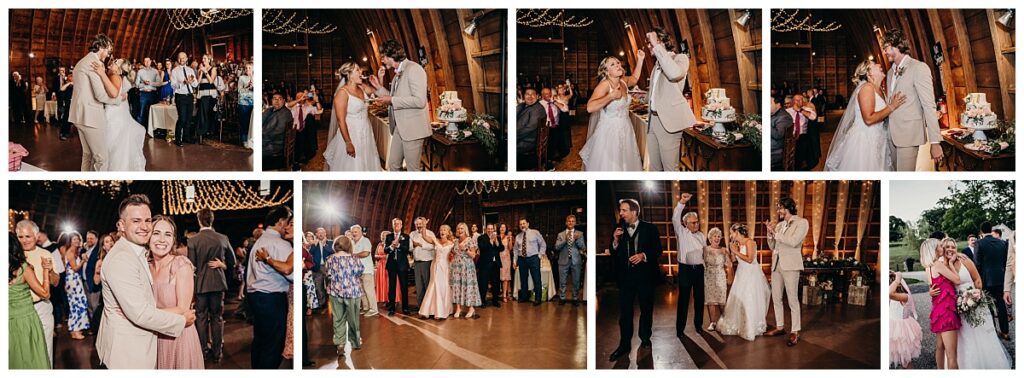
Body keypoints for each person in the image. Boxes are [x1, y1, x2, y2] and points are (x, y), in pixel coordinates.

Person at [97, 194, 194, 368]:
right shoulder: (122, 259)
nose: (144, 227)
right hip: (129, 350)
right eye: (136, 221)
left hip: (150, 340)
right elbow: (141, 314)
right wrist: (180, 320)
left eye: (147, 220)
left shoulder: (138, 254)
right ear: (121, 225)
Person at [824, 60, 906, 171]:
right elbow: (869, 119)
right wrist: (892, 106)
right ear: (869, 73)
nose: (879, 65)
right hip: (864, 141)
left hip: (878, 138)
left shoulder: (880, 89)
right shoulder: (867, 88)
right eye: (874, 65)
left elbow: (882, 114)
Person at [608, 199, 663, 361]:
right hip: (626, 278)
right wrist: (615, 241)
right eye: (621, 210)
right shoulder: (618, 229)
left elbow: (658, 250)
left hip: (645, 276)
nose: (621, 213)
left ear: (634, 212)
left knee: (646, 310)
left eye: (624, 210)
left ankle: (645, 338)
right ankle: (624, 344)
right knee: (625, 313)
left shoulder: (650, 228)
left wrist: (643, 256)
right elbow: (613, 252)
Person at [882, 29, 943, 171]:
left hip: (909, 135)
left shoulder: (919, 68)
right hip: (890, 135)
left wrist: (935, 142)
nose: (884, 52)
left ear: (895, 45)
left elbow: (929, 106)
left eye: (886, 48)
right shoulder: (890, 72)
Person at [368, 39, 431, 171]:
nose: (382, 61)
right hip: (399, 128)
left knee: (412, 170)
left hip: (413, 129)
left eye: (383, 57)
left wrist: (391, 100)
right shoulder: (397, 75)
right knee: (393, 166)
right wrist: (378, 86)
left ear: (392, 55)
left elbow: (420, 101)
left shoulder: (414, 69)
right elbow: (394, 97)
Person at [150, 215, 204, 369]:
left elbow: (182, 309)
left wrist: (144, 316)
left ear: (173, 240)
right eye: (156, 233)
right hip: (153, 339)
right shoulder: (144, 268)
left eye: (168, 235)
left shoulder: (181, 265)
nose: (162, 239)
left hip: (178, 337)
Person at [246, 205, 294, 369]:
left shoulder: (259, 241)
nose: (288, 226)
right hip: (271, 298)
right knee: (273, 345)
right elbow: (291, 274)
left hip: (255, 296)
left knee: (260, 341)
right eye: (288, 222)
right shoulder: (280, 244)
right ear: (281, 222)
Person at [643, 28, 697, 171]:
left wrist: (656, 45)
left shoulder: (680, 58)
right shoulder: (656, 66)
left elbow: (673, 74)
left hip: (668, 122)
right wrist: (642, 96)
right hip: (652, 121)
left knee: (669, 169)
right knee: (654, 168)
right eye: (649, 43)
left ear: (660, 41)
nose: (649, 46)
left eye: (650, 43)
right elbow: (655, 95)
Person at [580, 52, 644, 171]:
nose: (618, 65)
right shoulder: (604, 85)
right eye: (613, 64)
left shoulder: (623, 81)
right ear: (607, 71)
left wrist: (640, 59)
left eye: (618, 63)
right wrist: (610, 96)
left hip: (626, 129)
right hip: (609, 133)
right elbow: (590, 107)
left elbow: (634, 79)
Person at [188, 208, 232, 362]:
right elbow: (232, 261)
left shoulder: (193, 240)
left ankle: (202, 350)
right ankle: (217, 351)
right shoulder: (223, 238)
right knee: (217, 317)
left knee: (200, 318)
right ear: (212, 220)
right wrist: (224, 265)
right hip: (218, 283)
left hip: (200, 285)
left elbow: (191, 266)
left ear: (199, 220)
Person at [69, 34, 119, 171]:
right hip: (90, 116)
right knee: (102, 159)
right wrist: (119, 99)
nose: (108, 55)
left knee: (88, 155)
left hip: (78, 114)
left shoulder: (82, 61)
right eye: (108, 51)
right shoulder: (95, 63)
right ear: (101, 47)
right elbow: (101, 95)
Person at [764, 197, 808, 346]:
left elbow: (793, 242)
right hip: (776, 265)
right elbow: (772, 246)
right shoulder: (779, 225)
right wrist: (769, 234)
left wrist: (775, 234)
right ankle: (780, 327)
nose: (778, 211)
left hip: (791, 265)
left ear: (788, 208)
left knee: (792, 299)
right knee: (776, 298)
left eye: (780, 208)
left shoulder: (802, 223)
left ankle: (795, 331)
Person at [90, 58, 146, 171]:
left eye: (116, 62)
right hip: (120, 111)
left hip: (114, 112)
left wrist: (101, 74)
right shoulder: (119, 77)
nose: (113, 62)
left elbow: (113, 94)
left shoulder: (114, 76)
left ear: (119, 69)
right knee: (118, 143)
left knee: (111, 142)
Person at [716, 224, 770, 341]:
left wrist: (736, 251)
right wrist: (731, 251)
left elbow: (750, 259)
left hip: (751, 273)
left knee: (749, 298)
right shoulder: (736, 244)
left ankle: (750, 327)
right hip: (741, 273)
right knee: (739, 298)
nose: (730, 235)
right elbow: (735, 260)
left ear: (737, 232)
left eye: (731, 233)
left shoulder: (750, 242)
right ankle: (740, 325)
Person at [9, 232, 52, 369]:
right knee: (31, 358)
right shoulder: (23, 268)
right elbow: (45, 294)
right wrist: (46, 270)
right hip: (26, 321)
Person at [920, 238, 960, 369]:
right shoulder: (938, 264)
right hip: (947, 312)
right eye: (939, 246)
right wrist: (953, 265)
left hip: (938, 310)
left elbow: (933, 287)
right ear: (934, 249)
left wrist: (930, 292)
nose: (942, 248)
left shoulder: (929, 267)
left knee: (940, 347)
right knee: (952, 356)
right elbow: (957, 280)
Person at [324, 235, 364, 356]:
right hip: (352, 292)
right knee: (353, 319)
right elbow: (359, 272)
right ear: (348, 245)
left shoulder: (330, 259)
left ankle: (340, 343)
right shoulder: (354, 258)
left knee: (338, 318)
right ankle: (355, 342)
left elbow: (328, 274)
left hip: (335, 292)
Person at [672, 193, 706, 335]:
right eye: (693, 222)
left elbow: (705, 252)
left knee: (699, 299)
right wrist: (682, 202)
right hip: (685, 270)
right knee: (684, 300)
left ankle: (698, 325)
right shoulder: (681, 232)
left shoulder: (701, 235)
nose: (696, 224)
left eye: (697, 221)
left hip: (698, 269)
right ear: (686, 224)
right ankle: (680, 329)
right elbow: (675, 217)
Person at [974, 221, 1010, 340]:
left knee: (989, 306)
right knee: (1001, 305)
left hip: (985, 280)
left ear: (981, 231)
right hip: (1000, 278)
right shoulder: (1002, 243)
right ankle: (1005, 332)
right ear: (991, 229)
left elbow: (977, 264)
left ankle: (993, 332)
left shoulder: (979, 243)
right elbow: (1005, 262)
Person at [58, 231, 89, 340]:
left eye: (78, 239)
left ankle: (75, 329)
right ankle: (75, 330)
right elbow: (75, 268)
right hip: (73, 280)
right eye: (74, 239)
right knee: (77, 304)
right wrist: (83, 261)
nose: (76, 241)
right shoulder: (70, 252)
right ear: (70, 241)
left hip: (75, 279)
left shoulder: (75, 251)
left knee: (77, 304)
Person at [418, 224, 452, 319]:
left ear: (448, 232)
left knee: (443, 286)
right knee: (434, 284)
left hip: (445, 267)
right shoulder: (435, 240)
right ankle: (429, 310)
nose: (442, 231)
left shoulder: (452, 243)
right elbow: (424, 236)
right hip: (435, 266)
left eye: (444, 230)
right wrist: (424, 226)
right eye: (441, 230)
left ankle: (442, 311)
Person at [889, 271, 922, 369]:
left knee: (906, 360)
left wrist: (897, 280)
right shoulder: (895, 296)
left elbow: (889, 293)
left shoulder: (904, 297)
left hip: (902, 331)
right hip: (892, 328)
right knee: (895, 355)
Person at [450, 223, 481, 318]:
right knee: (457, 286)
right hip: (457, 267)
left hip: (467, 267)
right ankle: (458, 308)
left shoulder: (470, 240)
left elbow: (473, 255)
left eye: (462, 228)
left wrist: (466, 249)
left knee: (468, 286)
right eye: (458, 228)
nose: (460, 230)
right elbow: (453, 252)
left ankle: (471, 308)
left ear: (465, 230)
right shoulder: (455, 241)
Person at [513, 218, 547, 305]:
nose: (522, 225)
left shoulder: (535, 233)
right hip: (522, 259)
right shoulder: (518, 237)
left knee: (536, 279)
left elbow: (543, 244)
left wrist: (539, 256)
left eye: (524, 223)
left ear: (528, 224)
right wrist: (514, 261)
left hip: (533, 259)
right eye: (520, 224)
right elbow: (515, 250)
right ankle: (524, 297)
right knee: (523, 279)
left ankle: (538, 299)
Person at [702, 227, 730, 332]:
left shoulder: (723, 250)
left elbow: (729, 264)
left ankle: (726, 321)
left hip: (721, 277)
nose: (717, 238)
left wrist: (727, 254)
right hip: (708, 276)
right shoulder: (705, 249)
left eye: (719, 236)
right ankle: (712, 323)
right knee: (711, 301)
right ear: (710, 238)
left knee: (722, 301)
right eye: (715, 236)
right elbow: (702, 263)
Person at [555, 215, 585, 306]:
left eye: (572, 221)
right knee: (562, 281)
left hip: (576, 260)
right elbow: (556, 247)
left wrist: (577, 239)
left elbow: (583, 247)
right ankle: (562, 297)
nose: (571, 223)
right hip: (563, 260)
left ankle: (575, 298)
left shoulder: (580, 234)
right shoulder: (561, 234)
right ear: (566, 223)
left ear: (575, 223)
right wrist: (565, 240)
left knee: (576, 280)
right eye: (569, 221)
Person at [383, 218, 411, 315]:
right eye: (395, 224)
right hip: (392, 265)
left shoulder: (406, 236)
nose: (396, 226)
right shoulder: (389, 236)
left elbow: (407, 250)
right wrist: (391, 246)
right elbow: (385, 250)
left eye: (398, 224)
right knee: (392, 287)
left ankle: (405, 308)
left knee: (404, 287)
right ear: (392, 225)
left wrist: (398, 245)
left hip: (402, 265)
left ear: (401, 225)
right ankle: (391, 308)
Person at [170, 51, 198, 146]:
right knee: (182, 118)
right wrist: (183, 83)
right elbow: (173, 85)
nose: (182, 59)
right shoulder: (174, 71)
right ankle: (178, 139)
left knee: (189, 118)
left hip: (189, 96)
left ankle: (186, 137)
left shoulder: (190, 70)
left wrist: (192, 81)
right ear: (178, 59)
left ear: (186, 59)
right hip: (180, 96)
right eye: (180, 58)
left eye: (184, 57)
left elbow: (196, 84)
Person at [350, 225, 378, 317]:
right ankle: (366, 308)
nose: (354, 234)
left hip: (366, 270)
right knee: (361, 291)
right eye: (353, 232)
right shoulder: (352, 242)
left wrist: (353, 255)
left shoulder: (365, 241)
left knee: (369, 290)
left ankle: (374, 309)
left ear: (361, 232)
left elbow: (366, 253)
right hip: (357, 271)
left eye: (356, 232)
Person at [515, 88, 546, 171]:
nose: (530, 96)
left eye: (533, 94)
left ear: (538, 96)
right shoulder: (522, 105)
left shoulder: (538, 109)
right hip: (522, 136)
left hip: (528, 141)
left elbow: (530, 128)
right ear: (524, 96)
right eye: (527, 94)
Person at [262, 93, 293, 170]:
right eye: (274, 98)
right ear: (272, 100)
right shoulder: (269, 110)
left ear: (283, 101)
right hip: (267, 139)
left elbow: (278, 132)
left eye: (279, 99)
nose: (277, 101)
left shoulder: (285, 113)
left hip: (275, 144)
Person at [410, 217, 435, 309]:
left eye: (420, 223)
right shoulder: (412, 234)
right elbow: (410, 247)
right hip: (417, 263)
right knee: (419, 286)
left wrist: (420, 245)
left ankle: (429, 307)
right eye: (417, 224)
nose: (418, 225)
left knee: (427, 285)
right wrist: (413, 245)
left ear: (425, 223)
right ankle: (421, 306)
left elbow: (433, 246)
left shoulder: (430, 233)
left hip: (427, 262)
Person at [476, 224, 503, 308]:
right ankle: (482, 301)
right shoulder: (481, 238)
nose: (490, 230)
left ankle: (495, 301)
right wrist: (491, 241)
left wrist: (497, 242)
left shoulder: (497, 237)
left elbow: (502, 248)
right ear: (485, 229)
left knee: (496, 284)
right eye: (488, 229)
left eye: (492, 229)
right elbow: (482, 248)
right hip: (485, 265)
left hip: (495, 264)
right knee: (483, 284)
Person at [135, 57, 161, 127]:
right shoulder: (140, 71)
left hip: (153, 94)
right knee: (141, 112)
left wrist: (150, 83)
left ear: (150, 61)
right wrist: (144, 84)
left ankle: (152, 129)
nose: (147, 62)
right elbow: (136, 85)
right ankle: (139, 129)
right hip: (143, 94)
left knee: (153, 113)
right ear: (143, 62)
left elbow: (159, 83)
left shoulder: (155, 71)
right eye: (145, 61)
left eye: (148, 61)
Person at [769, 94, 792, 171]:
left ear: (778, 104)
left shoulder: (784, 117)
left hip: (775, 152)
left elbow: (778, 135)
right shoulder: (774, 114)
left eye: (769, 103)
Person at [237, 62, 255, 148]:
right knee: (245, 122)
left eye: (250, 68)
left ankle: (251, 139)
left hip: (253, 103)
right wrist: (247, 87)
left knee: (252, 123)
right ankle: (244, 140)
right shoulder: (242, 78)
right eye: (246, 68)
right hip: (243, 103)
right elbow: (239, 91)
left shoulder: (256, 78)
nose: (248, 70)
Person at [56, 67, 74, 140]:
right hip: (69, 103)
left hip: (76, 103)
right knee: (66, 118)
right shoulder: (67, 86)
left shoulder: (77, 85)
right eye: (71, 77)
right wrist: (69, 83)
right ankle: (64, 133)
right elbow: (61, 89)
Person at [499, 224, 514, 302]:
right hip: (498, 258)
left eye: (504, 227)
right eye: (501, 227)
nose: (502, 228)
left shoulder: (508, 237)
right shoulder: (497, 237)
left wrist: (510, 239)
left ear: (506, 229)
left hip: (506, 258)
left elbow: (510, 248)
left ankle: (504, 295)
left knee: (505, 277)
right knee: (500, 277)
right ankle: (502, 292)